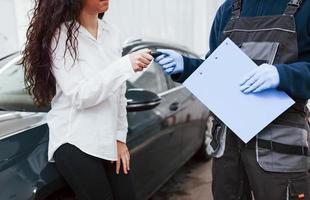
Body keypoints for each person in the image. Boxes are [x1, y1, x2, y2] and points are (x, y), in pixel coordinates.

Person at [155, 0, 310, 199]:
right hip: (228, 142)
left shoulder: (305, 7)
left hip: (279, 143)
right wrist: (185, 66)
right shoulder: (229, 9)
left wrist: (283, 75)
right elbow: (215, 70)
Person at [22, 0, 153, 199]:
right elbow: (80, 96)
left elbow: (118, 93)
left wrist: (119, 137)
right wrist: (124, 66)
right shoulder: (61, 36)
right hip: (75, 139)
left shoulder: (112, 33)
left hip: (108, 139)